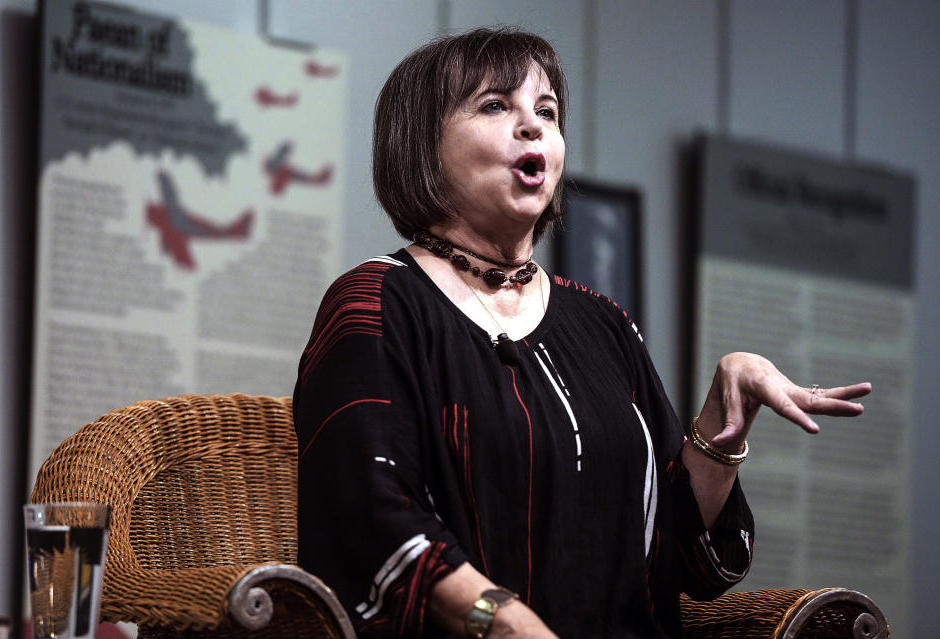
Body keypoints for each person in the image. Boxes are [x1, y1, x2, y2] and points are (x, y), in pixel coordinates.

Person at [292, 27, 870, 639]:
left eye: (546, 111)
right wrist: (504, 622)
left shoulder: (602, 321)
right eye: (495, 106)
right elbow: (370, 513)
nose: (532, 125)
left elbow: (681, 559)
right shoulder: (376, 301)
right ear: (422, 147)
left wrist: (723, 423)